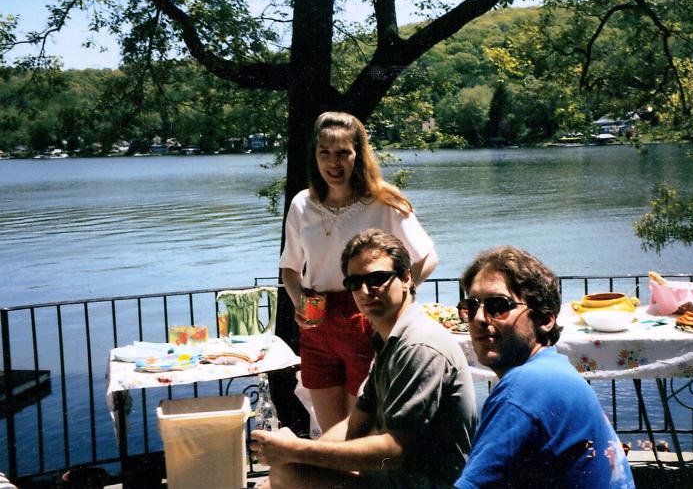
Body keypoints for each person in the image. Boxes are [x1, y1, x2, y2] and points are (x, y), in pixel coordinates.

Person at [253, 229, 475, 488]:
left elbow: (393, 450)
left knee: (287, 473)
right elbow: (354, 424)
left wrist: (296, 451)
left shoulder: (419, 346)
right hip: (394, 478)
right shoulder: (388, 341)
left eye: (377, 279)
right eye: (354, 283)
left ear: (406, 278)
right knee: (287, 473)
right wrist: (295, 458)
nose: (365, 290)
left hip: (423, 482)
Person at [279, 111, 438, 432]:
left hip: (366, 320)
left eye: (343, 153)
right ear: (315, 156)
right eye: (324, 152)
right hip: (316, 324)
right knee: (328, 433)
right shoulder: (301, 205)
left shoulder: (383, 202)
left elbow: (427, 257)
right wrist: (299, 304)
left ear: (358, 155)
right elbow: (290, 269)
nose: (333, 163)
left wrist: (397, 300)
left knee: (359, 433)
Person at [455, 246, 635, 488]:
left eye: (498, 306)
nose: (479, 318)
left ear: (544, 319)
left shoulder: (524, 389)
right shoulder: (553, 367)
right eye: (472, 306)